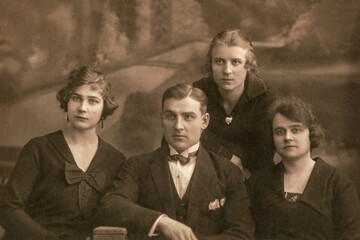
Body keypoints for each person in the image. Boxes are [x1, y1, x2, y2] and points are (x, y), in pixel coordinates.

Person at [98, 84, 254, 239]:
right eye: (171, 116)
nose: (178, 126)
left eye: (188, 117)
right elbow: (111, 205)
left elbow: (242, 234)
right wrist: (161, 221)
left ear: (204, 121)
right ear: (162, 119)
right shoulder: (138, 166)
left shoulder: (227, 172)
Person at [0, 66, 126, 240]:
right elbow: (8, 208)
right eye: (76, 98)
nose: (83, 108)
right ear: (66, 101)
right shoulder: (39, 149)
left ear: (104, 108)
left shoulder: (115, 159)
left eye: (93, 101)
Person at [248, 96, 360, 239]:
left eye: (296, 130)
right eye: (280, 132)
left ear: (310, 133)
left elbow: (352, 235)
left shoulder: (337, 183)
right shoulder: (258, 183)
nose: (287, 137)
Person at [193, 28, 275, 179]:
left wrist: (209, 142)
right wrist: (228, 156)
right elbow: (179, 137)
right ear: (210, 64)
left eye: (236, 62)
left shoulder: (264, 97)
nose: (227, 70)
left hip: (252, 178)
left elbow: (262, 155)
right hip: (207, 174)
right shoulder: (199, 91)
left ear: (248, 65)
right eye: (219, 61)